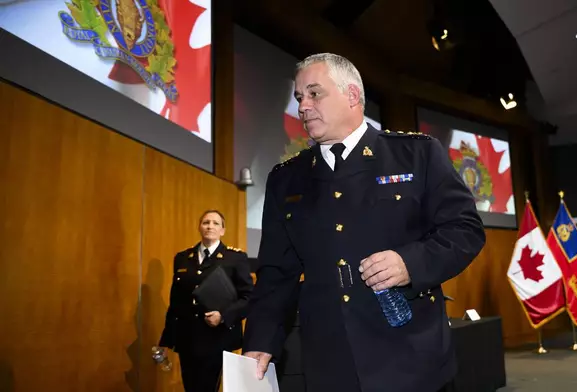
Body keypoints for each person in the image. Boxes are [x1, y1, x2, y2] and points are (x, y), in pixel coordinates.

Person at [242, 53, 486, 392]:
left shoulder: (417, 154)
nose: (302, 107)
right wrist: (260, 340)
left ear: (353, 95)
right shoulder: (286, 179)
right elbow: (276, 273)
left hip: (411, 357)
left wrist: (409, 263)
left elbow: (465, 230)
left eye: (315, 93)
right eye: (299, 97)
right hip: (329, 362)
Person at [159, 210, 254, 392]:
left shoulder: (235, 258)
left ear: (223, 230)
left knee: (207, 388)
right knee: (191, 387)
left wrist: (224, 316)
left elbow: (248, 298)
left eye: (215, 223)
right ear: (199, 227)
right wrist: (166, 341)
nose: (210, 226)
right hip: (188, 338)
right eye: (206, 222)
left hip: (217, 338)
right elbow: (176, 303)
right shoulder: (183, 258)